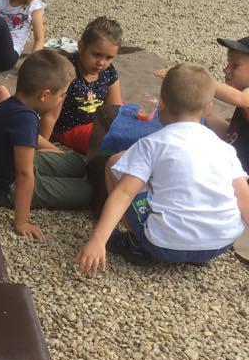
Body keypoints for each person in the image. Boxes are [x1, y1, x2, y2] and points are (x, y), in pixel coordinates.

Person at [77, 63, 249, 272]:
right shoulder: (225, 149)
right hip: (219, 244)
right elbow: (245, 200)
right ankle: (196, 253)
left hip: (164, 245)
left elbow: (123, 194)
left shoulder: (152, 144)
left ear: (161, 104)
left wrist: (98, 240)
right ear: (208, 108)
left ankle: (135, 244)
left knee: (116, 162)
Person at [0, 50, 90, 241]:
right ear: (44, 95)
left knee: (77, 163)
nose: (62, 100)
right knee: (87, 192)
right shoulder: (25, 119)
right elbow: (24, 174)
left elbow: (30, 141)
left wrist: (56, 153)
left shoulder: (14, 104)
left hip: (8, 164)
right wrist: (22, 222)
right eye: (61, 95)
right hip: (3, 188)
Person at [41, 17, 125, 155]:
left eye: (108, 58)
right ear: (81, 47)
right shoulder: (67, 72)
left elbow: (115, 109)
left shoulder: (108, 71)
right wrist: (41, 145)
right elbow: (50, 115)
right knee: (111, 140)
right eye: (97, 55)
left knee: (130, 116)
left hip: (97, 121)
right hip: (70, 128)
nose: (101, 63)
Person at [215, 36, 249, 172]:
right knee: (202, 116)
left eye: (235, 65)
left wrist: (197, 79)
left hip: (242, 176)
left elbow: (240, 98)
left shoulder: (244, 95)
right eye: (228, 63)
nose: (226, 69)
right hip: (236, 152)